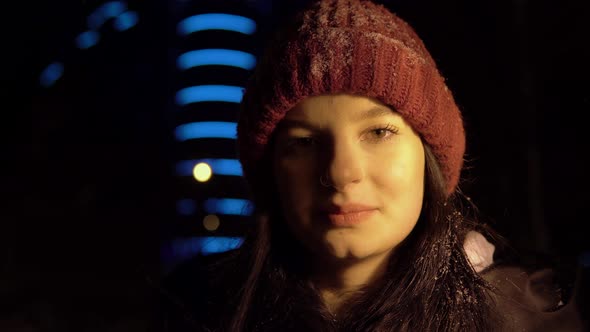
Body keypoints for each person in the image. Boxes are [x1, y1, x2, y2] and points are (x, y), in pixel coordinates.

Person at [162, 0, 585, 331]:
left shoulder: (533, 319)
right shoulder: (199, 316)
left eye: (378, 133)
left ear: (429, 155)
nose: (342, 172)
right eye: (305, 142)